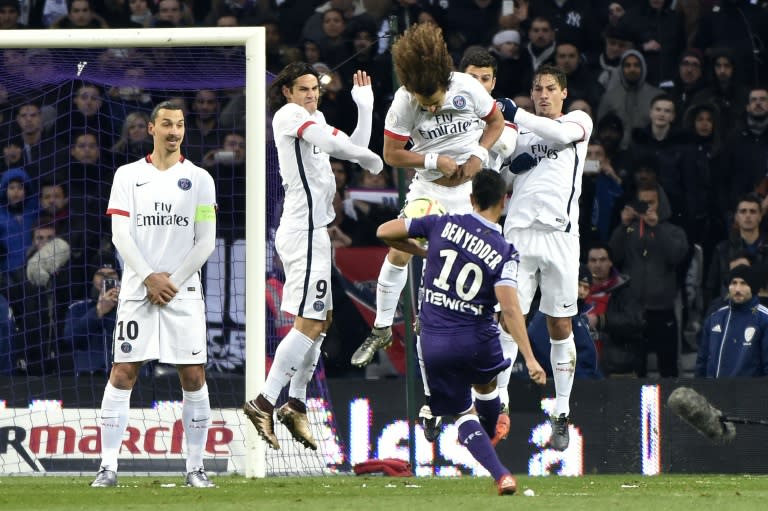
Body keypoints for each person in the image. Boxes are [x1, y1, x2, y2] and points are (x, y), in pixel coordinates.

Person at [376, 169, 546, 496]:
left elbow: (385, 231)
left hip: (434, 341)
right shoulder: (504, 251)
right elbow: (510, 311)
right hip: (477, 339)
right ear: (503, 201)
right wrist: (530, 358)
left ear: (471, 199)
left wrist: (425, 251)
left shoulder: (442, 224)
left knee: (462, 413)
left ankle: (500, 474)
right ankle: (487, 432)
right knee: (486, 388)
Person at [243, 62, 383, 451]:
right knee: (308, 322)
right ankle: (265, 401)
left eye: (314, 89)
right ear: (287, 92)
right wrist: (371, 160)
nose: (310, 95)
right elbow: (350, 151)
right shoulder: (288, 116)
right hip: (300, 232)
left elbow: (351, 146)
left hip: (316, 234)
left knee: (323, 321)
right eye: (302, 89)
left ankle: (296, 402)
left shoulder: (315, 119)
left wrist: (365, 107)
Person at [349, 23, 504, 369]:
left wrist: (479, 154)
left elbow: (496, 122)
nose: (430, 110)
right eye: (424, 104)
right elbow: (391, 153)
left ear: (445, 84)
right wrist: (433, 159)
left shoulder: (466, 88)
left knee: (476, 266)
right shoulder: (404, 101)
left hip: (469, 195)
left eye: (433, 102)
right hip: (428, 189)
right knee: (399, 249)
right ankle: (382, 328)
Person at [90, 100, 217, 488]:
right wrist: (148, 278)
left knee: (193, 376)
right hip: (136, 292)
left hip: (183, 293)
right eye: (166, 124)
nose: (174, 131)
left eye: (179, 124)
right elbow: (120, 235)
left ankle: (195, 468)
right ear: (151, 128)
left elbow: (206, 241)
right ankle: (107, 466)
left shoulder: (200, 179)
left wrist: (170, 281)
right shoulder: (128, 175)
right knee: (123, 372)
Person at [497, 63, 593, 451]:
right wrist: (504, 161)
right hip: (518, 234)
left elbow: (554, 133)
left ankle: (562, 411)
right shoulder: (517, 132)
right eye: (537, 89)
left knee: (559, 325)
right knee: (507, 318)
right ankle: (498, 403)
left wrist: (516, 113)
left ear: (563, 93)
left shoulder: (577, 121)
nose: (543, 95)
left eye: (550, 88)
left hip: (560, 236)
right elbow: (495, 170)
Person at [696, 264, 768, 378]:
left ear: (753, 287)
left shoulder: (764, 319)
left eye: (743, 283)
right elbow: (702, 361)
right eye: (734, 283)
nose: (737, 289)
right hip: (713, 391)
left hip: (749, 394)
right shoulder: (715, 318)